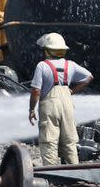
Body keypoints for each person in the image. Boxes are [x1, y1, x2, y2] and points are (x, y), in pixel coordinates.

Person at [29, 33, 93, 166]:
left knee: (49, 140)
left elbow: (36, 90)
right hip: (67, 105)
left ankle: (52, 174)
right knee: (69, 141)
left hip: (49, 106)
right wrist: (72, 91)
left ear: (47, 50)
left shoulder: (42, 65)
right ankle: (74, 173)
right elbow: (89, 77)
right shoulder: (71, 65)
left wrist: (31, 109)